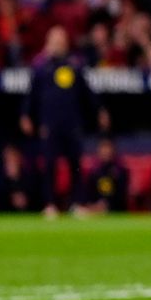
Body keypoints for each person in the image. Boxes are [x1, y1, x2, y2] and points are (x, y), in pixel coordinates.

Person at [22, 24, 108, 218]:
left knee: (75, 164)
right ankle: (50, 204)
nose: (58, 44)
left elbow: (88, 92)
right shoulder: (41, 68)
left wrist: (100, 111)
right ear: (48, 43)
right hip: (49, 123)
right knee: (49, 165)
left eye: (61, 41)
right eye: (55, 41)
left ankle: (77, 204)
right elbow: (31, 94)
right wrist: (26, 115)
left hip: (72, 123)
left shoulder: (75, 65)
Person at [75, 136, 128, 215]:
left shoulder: (120, 171)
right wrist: (92, 206)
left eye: (108, 147)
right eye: (103, 148)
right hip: (96, 210)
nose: (105, 151)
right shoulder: (94, 172)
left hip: (115, 211)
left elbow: (121, 197)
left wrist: (105, 205)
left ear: (113, 149)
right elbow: (88, 195)